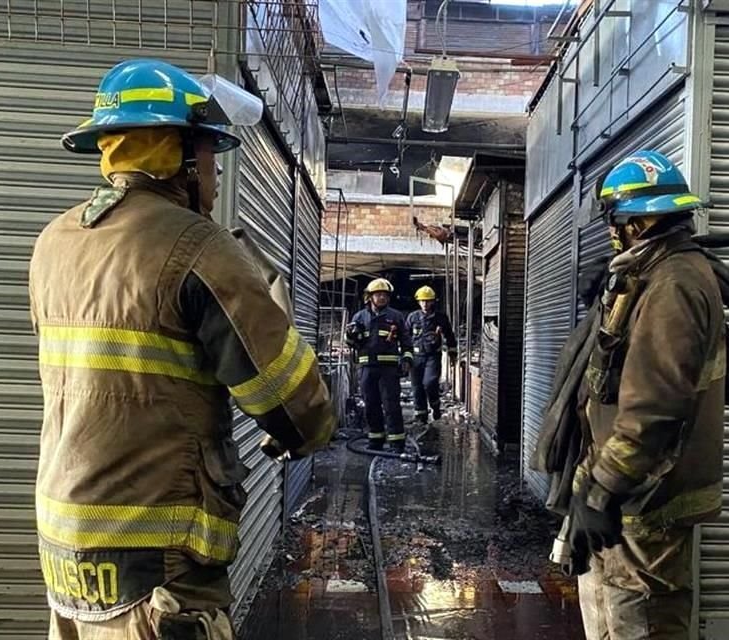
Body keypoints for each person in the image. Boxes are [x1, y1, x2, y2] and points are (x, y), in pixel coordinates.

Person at [29, 59, 336, 640]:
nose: (216, 176)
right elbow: (297, 407)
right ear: (181, 156)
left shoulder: (54, 242)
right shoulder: (197, 246)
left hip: (66, 550)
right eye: (212, 158)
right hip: (159, 565)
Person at [570, 150, 725, 639]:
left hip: (646, 499)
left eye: (615, 223)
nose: (611, 232)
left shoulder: (673, 286)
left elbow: (653, 408)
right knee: (613, 619)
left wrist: (602, 489)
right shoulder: (656, 274)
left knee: (641, 623)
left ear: (636, 224)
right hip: (631, 494)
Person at [345, 278, 413, 451]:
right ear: (370, 297)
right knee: (371, 405)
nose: (382, 298)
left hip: (388, 370)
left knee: (391, 405)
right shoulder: (359, 316)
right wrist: (351, 337)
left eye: (385, 295)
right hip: (366, 368)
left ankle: (397, 442)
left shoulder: (395, 316)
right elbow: (351, 343)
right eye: (378, 295)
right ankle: (375, 440)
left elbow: (406, 341)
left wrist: (406, 359)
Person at [405, 285, 457, 423]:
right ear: (418, 301)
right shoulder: (412, 317)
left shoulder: (440, 318)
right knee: (417, 387)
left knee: (430, 382)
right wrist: (404, 357)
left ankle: (435, 405)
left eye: (428, 301)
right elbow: (405, 337)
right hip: (416, 357)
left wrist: (453, 352)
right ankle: (421, 416)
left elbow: (449, 335)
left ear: (433, 301)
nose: (425, 304)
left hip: (433, 356)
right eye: (422, 301)